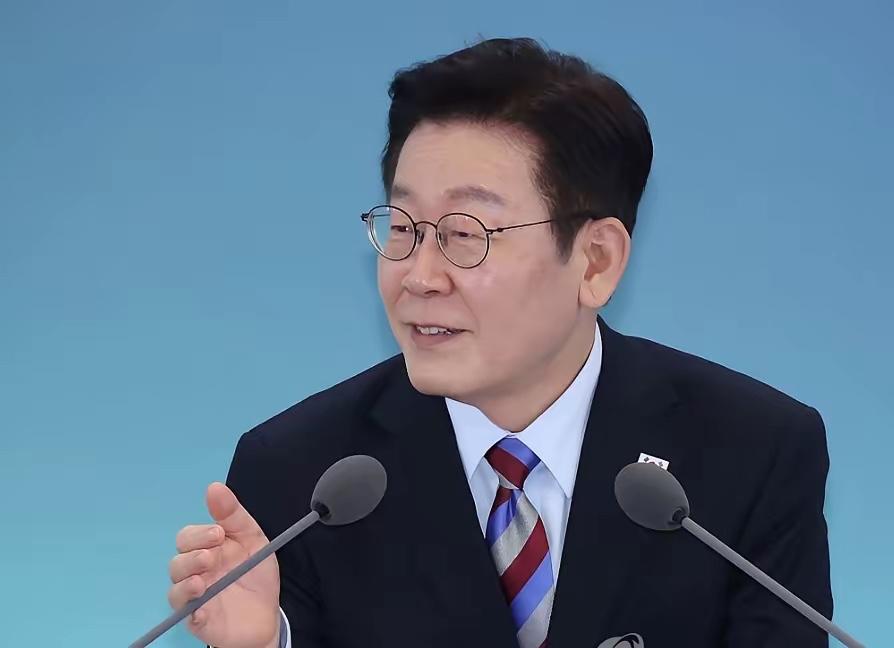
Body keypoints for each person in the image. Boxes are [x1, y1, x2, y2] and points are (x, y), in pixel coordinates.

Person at [166, 38, 833, 648]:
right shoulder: (301, 477)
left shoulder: (754, 453)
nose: (419, 277)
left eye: (465, 234)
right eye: (402, 227)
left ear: (596, 262)